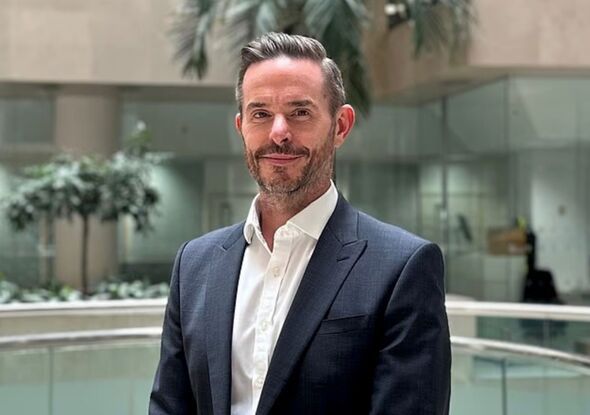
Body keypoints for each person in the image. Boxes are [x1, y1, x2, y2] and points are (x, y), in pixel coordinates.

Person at [149, 32, 451, 415]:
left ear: (340, 126)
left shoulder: (403, 267)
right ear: (241, 127)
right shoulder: (195, 263)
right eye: (261, 114)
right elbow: (169, 405)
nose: (279, 132)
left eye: (300, 112)